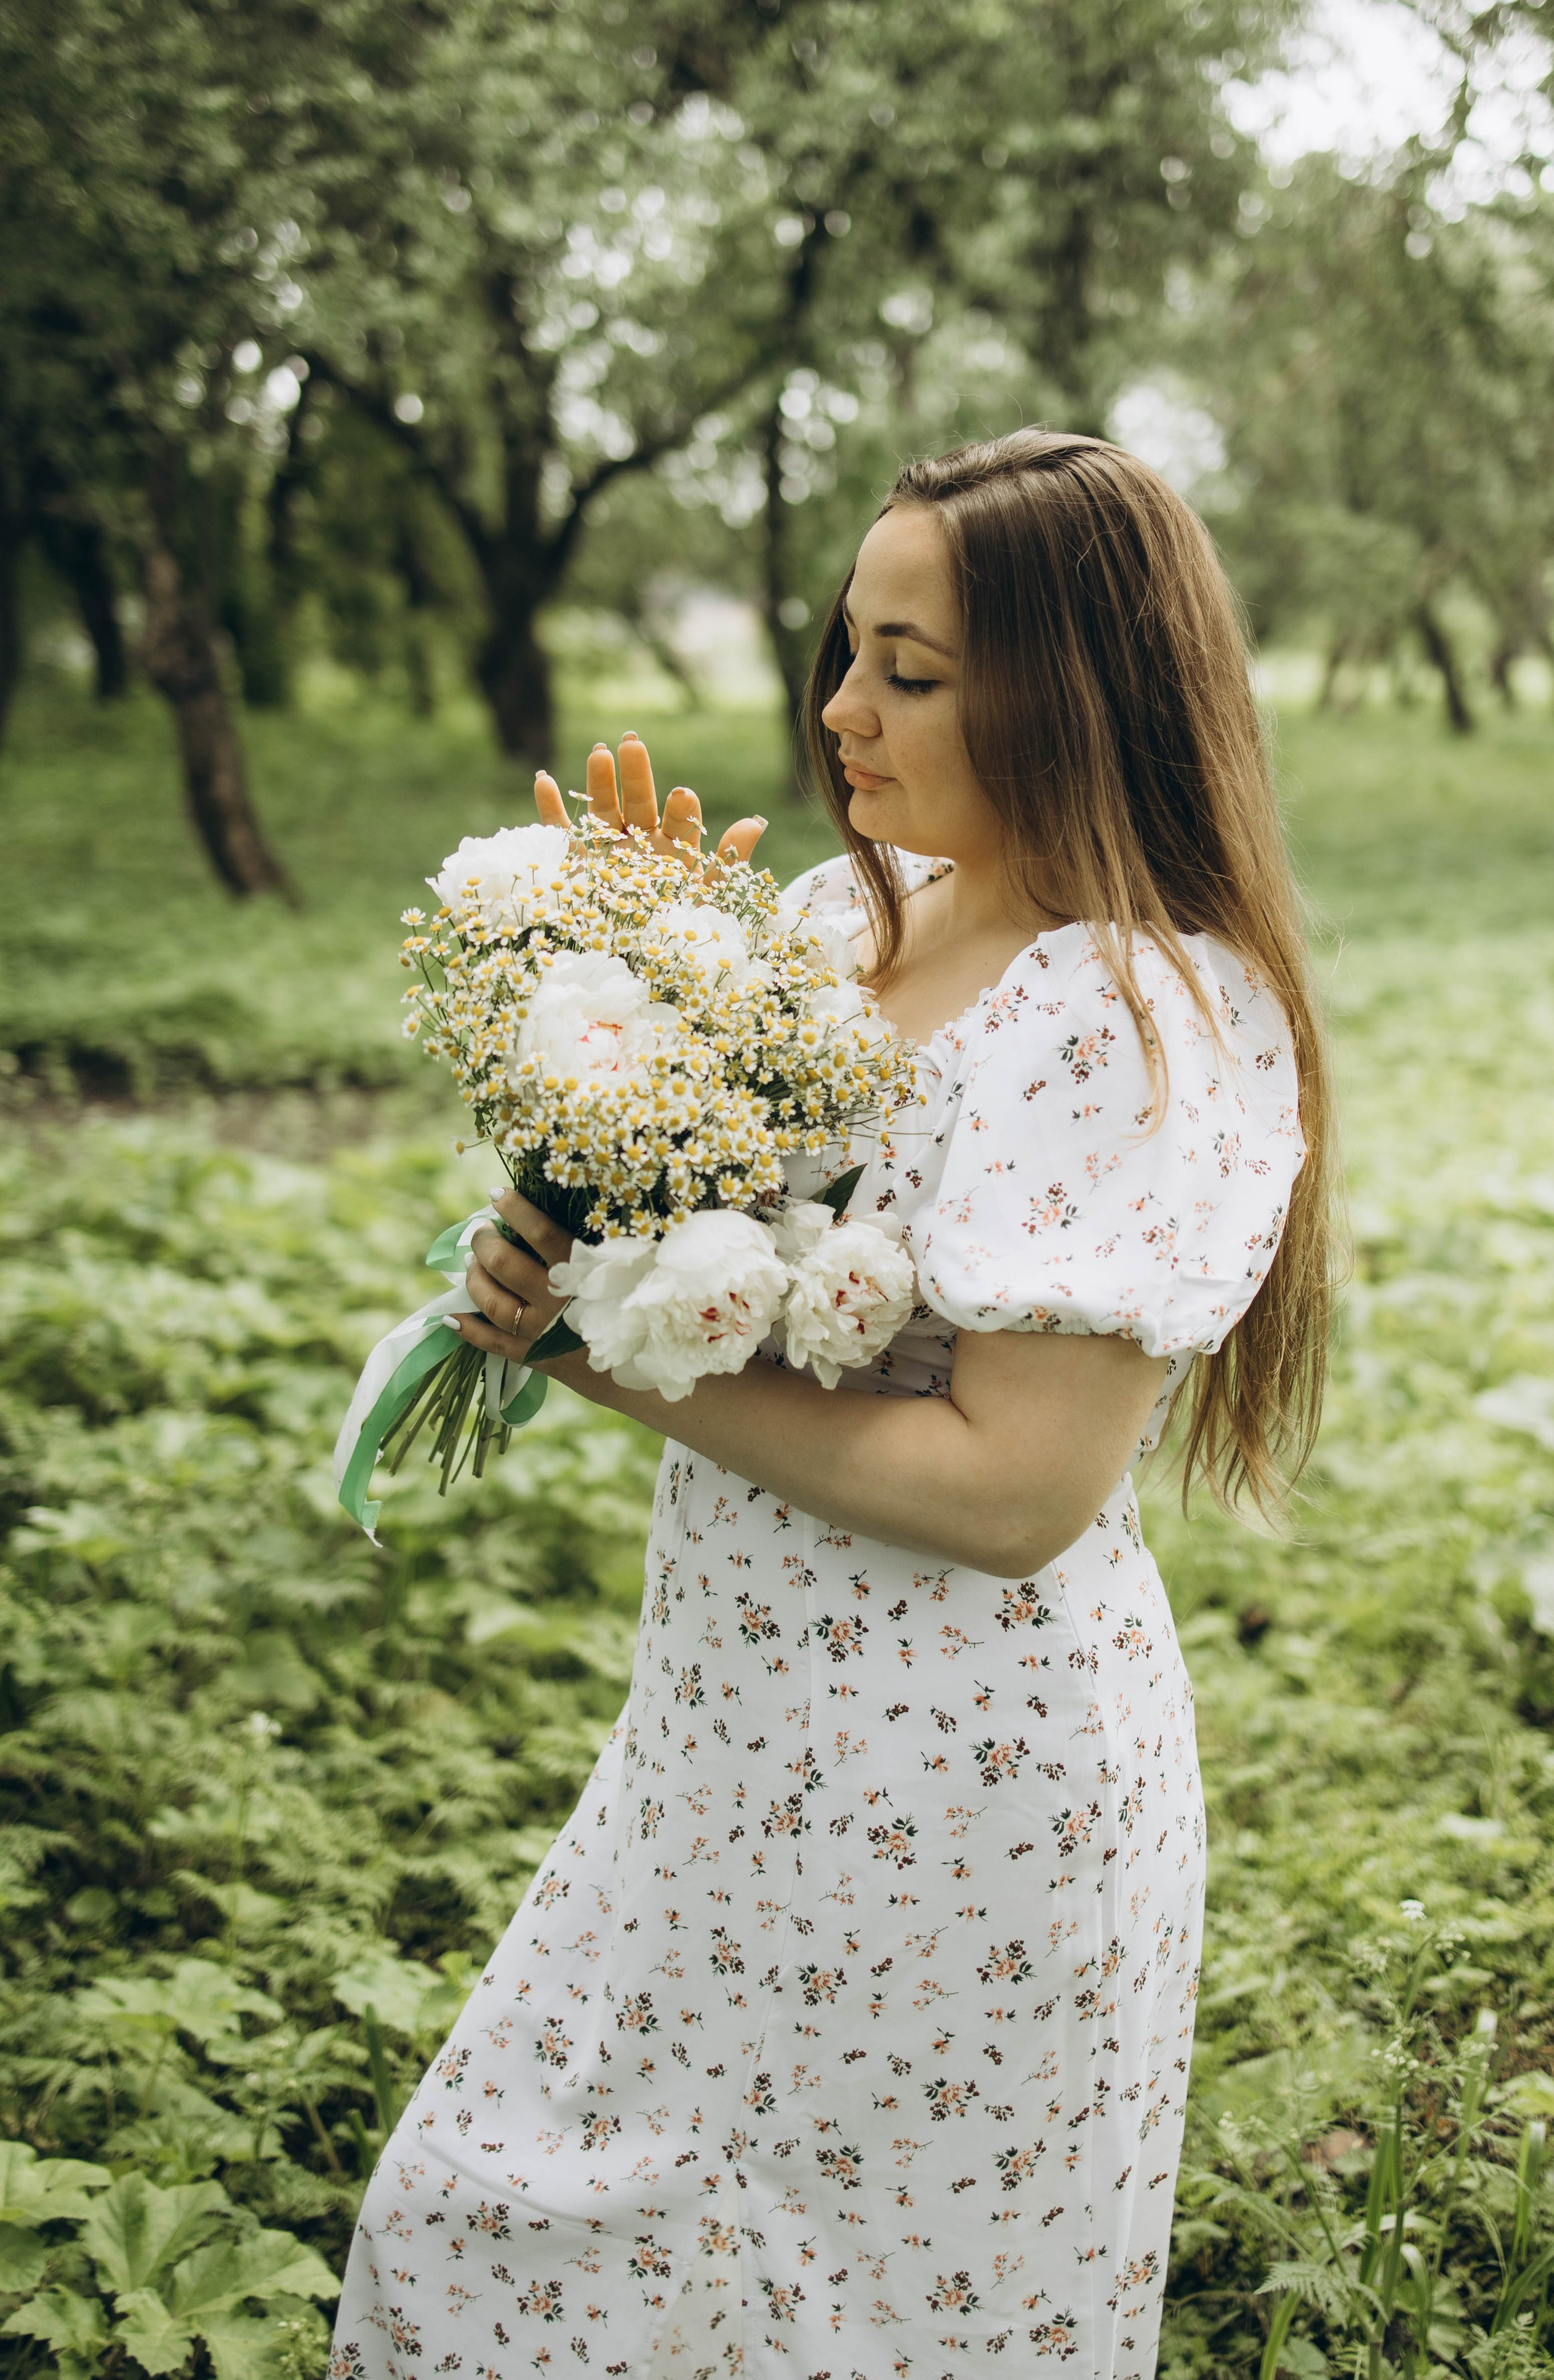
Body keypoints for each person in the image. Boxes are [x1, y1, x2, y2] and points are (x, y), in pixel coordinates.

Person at [330, 429, 1333, 2380]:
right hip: (730, 1735)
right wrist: (602, 1084)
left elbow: (1013, 1490)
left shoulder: (1135, 1018)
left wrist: (602, 1357)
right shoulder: (834, 925)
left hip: (961, 1801)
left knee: (877, 2315)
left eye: (915, 670)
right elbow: (714, 1261)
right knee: (498, 2234)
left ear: (1077, 690)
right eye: (847, 649)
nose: (841, 710)